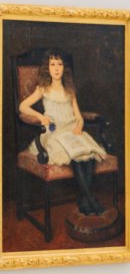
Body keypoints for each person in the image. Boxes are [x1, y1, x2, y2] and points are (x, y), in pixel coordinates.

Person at [18, 49, 108, 216]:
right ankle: (91, 200)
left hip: (72, 130)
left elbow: (79, 117)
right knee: (75, 157)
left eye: (59, 64)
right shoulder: (43, 88)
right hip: (54, 133)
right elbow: (23, 107)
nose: (56, 68)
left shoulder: (69, 90)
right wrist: (39, 116)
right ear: (48, 68)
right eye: (53, 64)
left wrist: (79, 127)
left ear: (64, 68)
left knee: (87, 157)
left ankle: (84, 201)